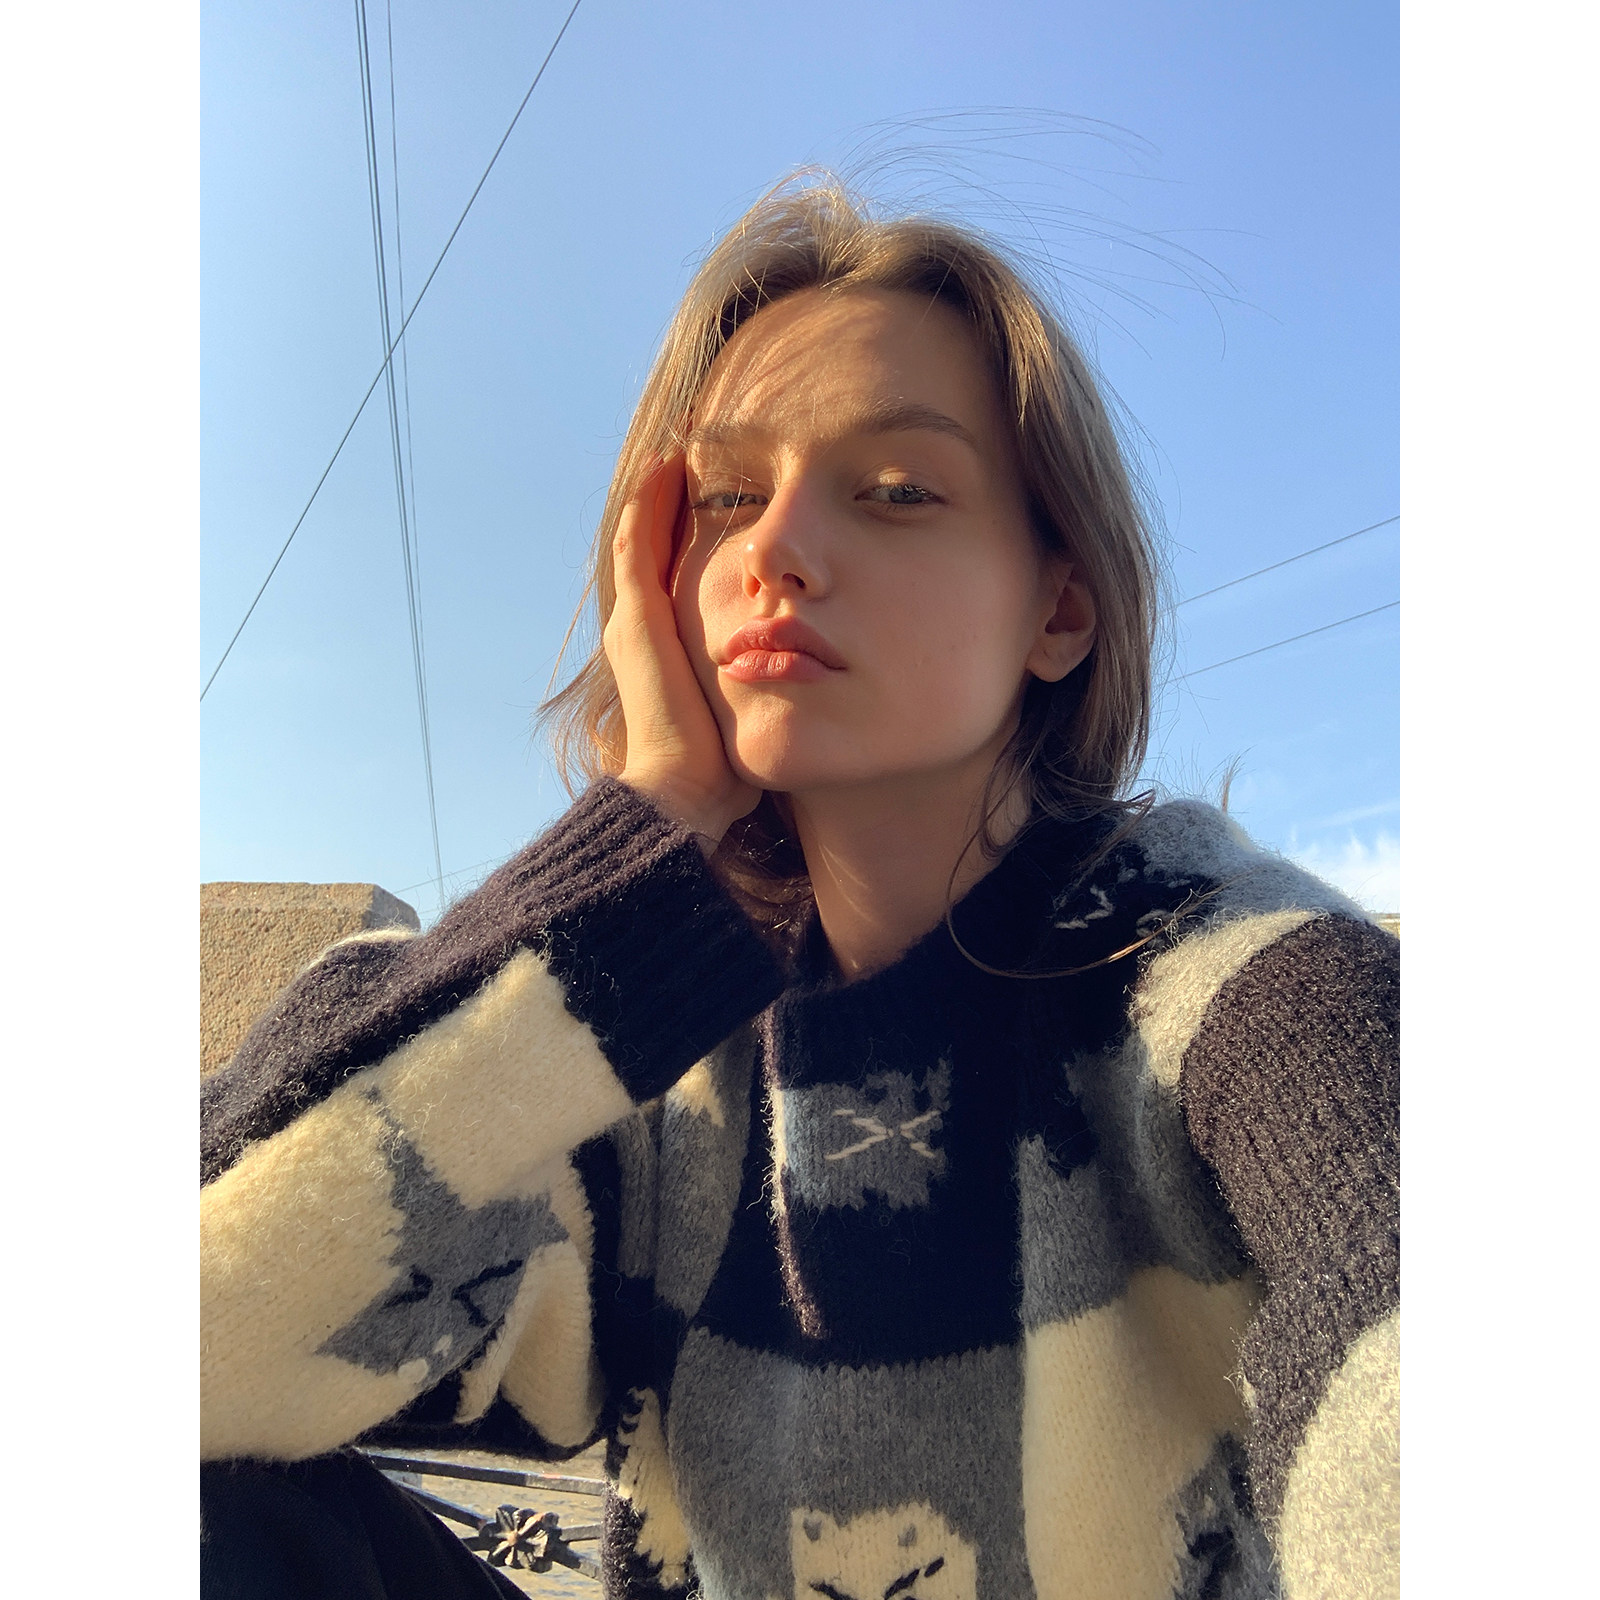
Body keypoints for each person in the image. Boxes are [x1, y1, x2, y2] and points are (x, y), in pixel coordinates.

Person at [200, 178, 1398, 1600]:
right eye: (725, 498)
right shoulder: (643, 1075)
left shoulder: (1235, 983)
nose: (774, 551)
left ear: (1060, 609)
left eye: (897, 492)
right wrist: (643, 836)